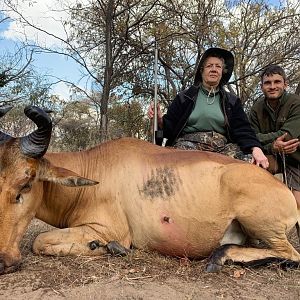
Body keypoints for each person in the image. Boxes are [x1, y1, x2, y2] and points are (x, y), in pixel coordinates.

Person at [148, 47, 269, 168]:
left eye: (218, 66)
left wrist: (256, 148)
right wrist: (159, 120)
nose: (214, 69)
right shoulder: (185, 97)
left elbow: (243, 129)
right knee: (172, 163)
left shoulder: (232, 101)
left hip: (222, 148)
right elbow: (170, 127)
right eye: (209, 66)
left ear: (222, 72)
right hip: (189, 146)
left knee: (251, 162)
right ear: (202, 71)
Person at [250, 65, 300, 208]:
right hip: (271, 157)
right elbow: (251, 137)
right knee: (251, 171)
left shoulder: (295, 103)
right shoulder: (256, 108)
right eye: (267, 83)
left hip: (296, 158)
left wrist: (263, 140)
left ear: (285, 84)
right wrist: (272, 146)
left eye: (277, 82)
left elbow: (287, 137)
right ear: (261, 87)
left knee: (297, 206)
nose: (272, 86)